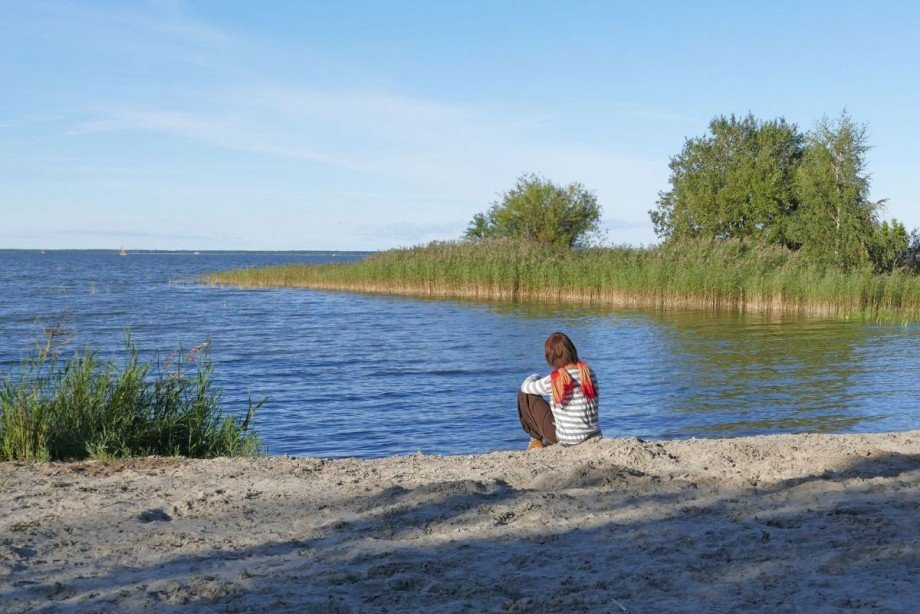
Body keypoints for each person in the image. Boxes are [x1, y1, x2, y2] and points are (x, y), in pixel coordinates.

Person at [517, 332, 601, 449]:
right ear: (572, 350)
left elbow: (525, 387)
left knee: (524, 395)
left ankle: (535, 440)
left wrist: (536, 376)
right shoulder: (588, 372)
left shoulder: (554, 379)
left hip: (568, 441)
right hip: (593, 436)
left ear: (551, 357)